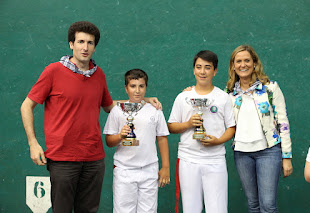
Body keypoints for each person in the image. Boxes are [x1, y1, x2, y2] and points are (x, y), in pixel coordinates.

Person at [20, 21, 160, 213]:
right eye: (80, 42)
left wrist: (141, 101)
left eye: (90, 43)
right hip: (63, 158)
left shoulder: (98, 74)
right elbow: (27, 105)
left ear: (95, 46)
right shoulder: (53, 71)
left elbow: (110, 106)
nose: (85, 47)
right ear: (71, 44)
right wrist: (33, 143)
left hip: (93, 158)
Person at [226, 45, 293, 212]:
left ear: (254, 63)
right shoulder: (228, 94)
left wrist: (286, 156)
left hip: (269, 152)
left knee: (268, 206)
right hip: (241, 153)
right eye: (239, 61)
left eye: (247, 60)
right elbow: (209, 99)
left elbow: (283, 122)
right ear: (233, 66)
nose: (243, 65)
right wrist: (191, 93)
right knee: (253, 205)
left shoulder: (270, 88)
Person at [168, 50, 236, 213]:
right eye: (199, 67)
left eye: (207, 67)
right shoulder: (183, 97)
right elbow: (171, 126)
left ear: (215, 71)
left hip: (215, 160)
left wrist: (217, 141)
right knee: (191, 209)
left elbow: (232, 127)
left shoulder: (222, 97)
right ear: (194, 70)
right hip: (188, 159)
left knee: (218, 209)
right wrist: (189, 123)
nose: (202, 72)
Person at [103, 69, 170, 213]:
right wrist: (120, 136)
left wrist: (165, 167)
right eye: (133, 86)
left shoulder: (155, 109)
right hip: (124, 170)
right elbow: (109, 141)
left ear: (146, 87)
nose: (137, 90)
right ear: (126, 88)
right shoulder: (117, 110)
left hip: (149, 170)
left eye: (141, 86)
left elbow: (162, 138)